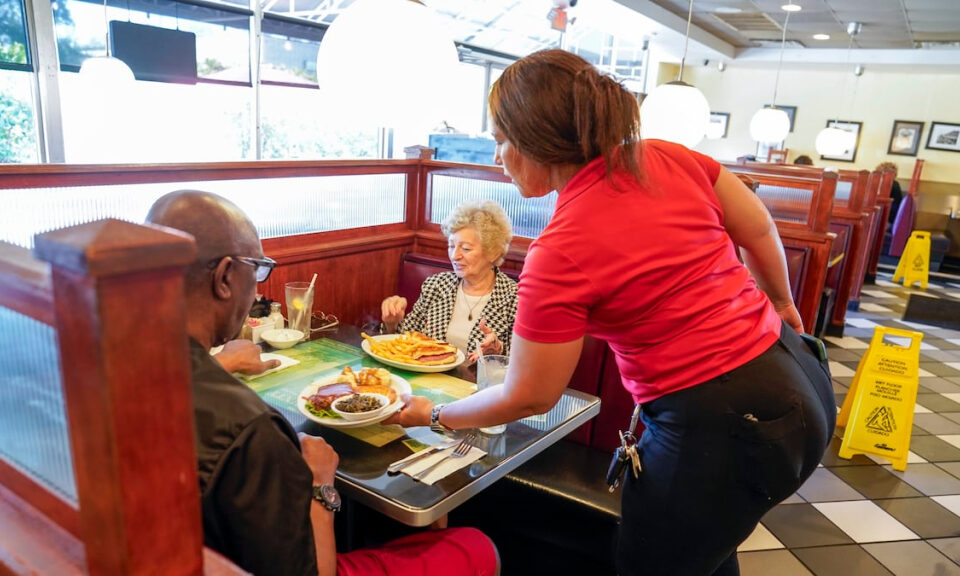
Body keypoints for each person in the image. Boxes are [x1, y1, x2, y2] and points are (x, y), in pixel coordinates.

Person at [386, 49, 835, 576]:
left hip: (723, 425)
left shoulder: (559, 247)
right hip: (801, 376)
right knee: (709, 549)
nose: (496, 155)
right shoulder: (664, 156)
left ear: (536, 141)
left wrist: (433, 414)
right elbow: (757, 225)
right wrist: (780, 300)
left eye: (501, 139)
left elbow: (530, 394)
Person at [146, 190, 499, 576]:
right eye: (259, 270)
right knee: (476, 546)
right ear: (225, 277)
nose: (258, 287)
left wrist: (225, 362)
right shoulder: (251, 430)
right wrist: (319, 483)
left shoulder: (115, 369)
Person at [380, 199, 516, 362]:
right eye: (451, 246)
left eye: (465, 248)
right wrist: (392, 323)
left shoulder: (514, 298)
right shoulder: (436, 285)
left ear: (493, 252)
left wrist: (497, 353)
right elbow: (404, 345)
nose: (454, 256)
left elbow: (523, 364)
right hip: (429, 381)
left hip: (480, 386)